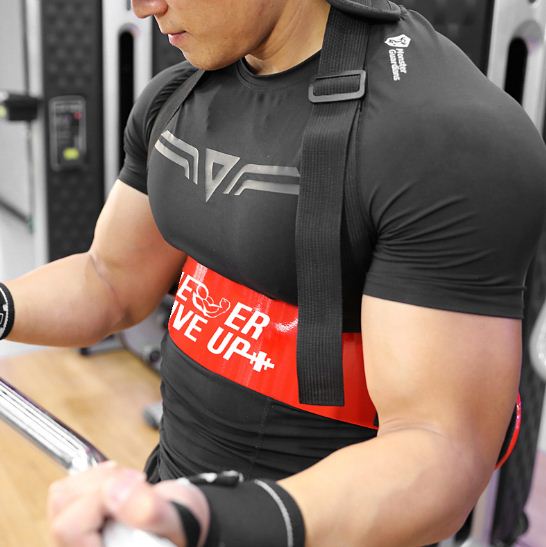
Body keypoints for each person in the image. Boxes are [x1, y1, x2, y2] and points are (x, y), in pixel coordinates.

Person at [2, 0, 546, 545]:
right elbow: (108, 280)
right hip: (178, 502)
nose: (143, 7)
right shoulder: (177, 95)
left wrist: (212, 518)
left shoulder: (445, 135)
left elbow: (440, 449)